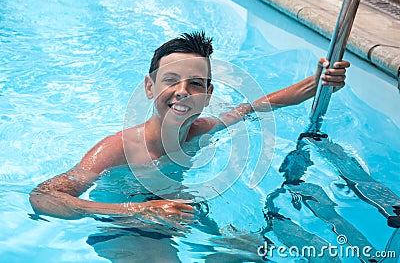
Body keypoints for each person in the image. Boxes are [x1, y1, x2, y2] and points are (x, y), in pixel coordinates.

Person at [29, 31, 350, 227]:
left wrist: (318, 83)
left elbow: (255, 106)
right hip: (122, 225)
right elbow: (44, 197)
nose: (183, 91)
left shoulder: (202, 129)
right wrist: (138, 210)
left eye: (195, 84)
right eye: (171, 80)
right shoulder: (117, 149)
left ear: (208, 96)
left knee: (243, 252)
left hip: (174, 210)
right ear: (150, 87)